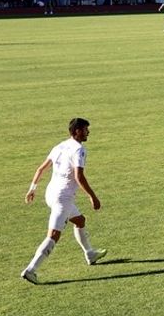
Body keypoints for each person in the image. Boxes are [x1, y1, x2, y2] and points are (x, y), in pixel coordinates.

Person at [20, 118, 106, 283]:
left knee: (80, 220)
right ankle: (31, 269)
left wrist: (32, 189)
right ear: (77, 131)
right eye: (86, 129)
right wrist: (92, 196)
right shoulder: (79, 150)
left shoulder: (59, 146)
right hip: (63, 198)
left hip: (50, 194)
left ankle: (90, 253)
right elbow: (78, 176)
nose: (88, 132)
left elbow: (41, 168)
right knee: (53, 235)